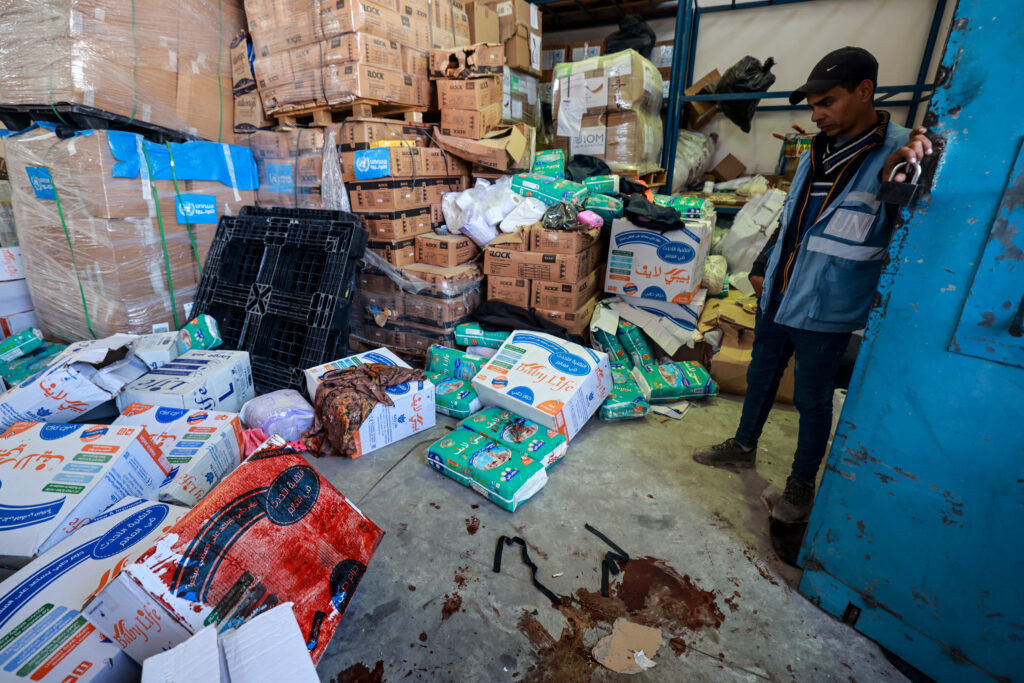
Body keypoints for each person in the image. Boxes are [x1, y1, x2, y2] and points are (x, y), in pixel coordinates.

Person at [692, 47, 933, 523]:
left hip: (829, 304)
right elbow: (793, 217)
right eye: (813, 105)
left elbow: (907, 228)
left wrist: (906, 176)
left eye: (829, 101)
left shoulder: (903, 150)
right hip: (780, 292)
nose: (818, 113)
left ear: (865, 91)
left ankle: (801, 486)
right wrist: (764, 264)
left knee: (812, 398)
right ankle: (743, 445)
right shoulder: (817, 148)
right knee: (762, 376)